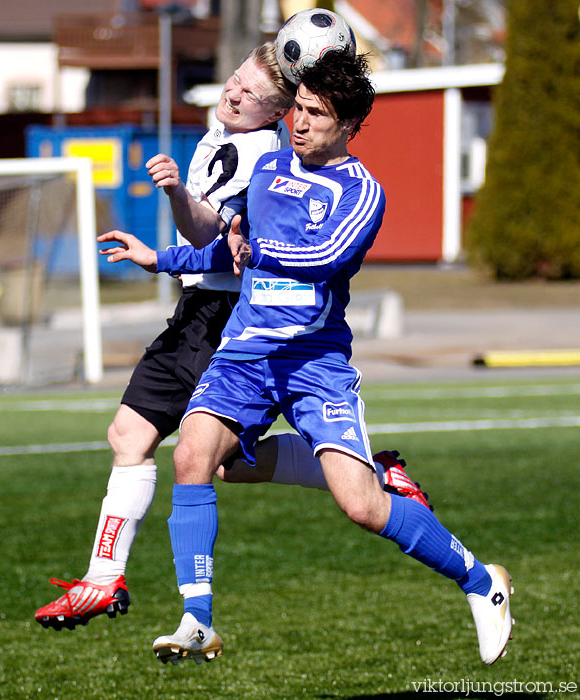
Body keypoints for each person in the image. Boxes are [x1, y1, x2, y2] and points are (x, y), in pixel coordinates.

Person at [97, 50, 514, 668]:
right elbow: (228, 250)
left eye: (316, 114)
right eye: (297, 109)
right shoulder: (267, 166)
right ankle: (197, 619)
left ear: (347, 126)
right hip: (244, 352)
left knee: (363, 506)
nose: (299, 123)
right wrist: (161, 259)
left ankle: (482, 581)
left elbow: (321, 258)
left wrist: (252, 243)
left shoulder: (360, 192)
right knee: (193, 453)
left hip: (314, 361)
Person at [35, 42, 428, 632]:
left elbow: (222, 235)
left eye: (253, 94)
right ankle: (101, 579)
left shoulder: (264, 155)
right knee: (128, 433)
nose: (234, 92)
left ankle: (370, 472)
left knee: (220, 464)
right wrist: (165, 254)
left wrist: (176, 202)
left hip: (228, 316)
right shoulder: (221, 137)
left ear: (276, 113)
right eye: (236, 79)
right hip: (196, 307)